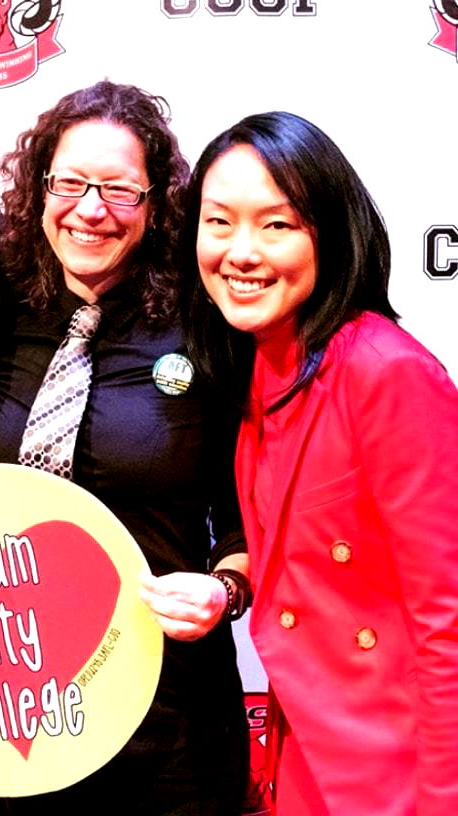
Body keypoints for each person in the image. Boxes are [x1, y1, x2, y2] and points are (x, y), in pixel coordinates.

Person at [0, 80, 250, 815]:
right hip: (16, 702)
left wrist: (226, 590)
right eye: (69, 183)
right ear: (39, 191)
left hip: (171, 711)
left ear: (157, 205)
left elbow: (254, 514)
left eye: (120, 191)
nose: (90, 209)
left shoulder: (211, 324)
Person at [185, 110, 458, 815]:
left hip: (397, 777)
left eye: (276, 225)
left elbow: (448, 619)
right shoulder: (257, 366)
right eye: (218, 223)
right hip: (306, 762)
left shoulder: (385, 371)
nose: (241, 252)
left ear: (330, 234)